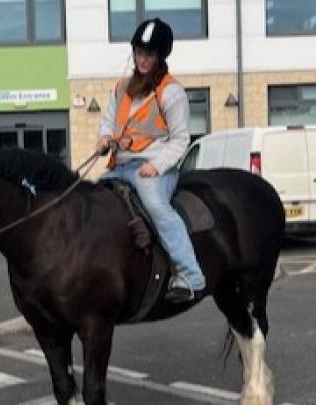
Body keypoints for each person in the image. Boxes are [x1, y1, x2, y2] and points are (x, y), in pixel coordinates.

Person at [96, 18, 206, 303]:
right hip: (119, 166)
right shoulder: (121, 88)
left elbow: (181, 140)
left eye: (149, 54)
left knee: (156, 206)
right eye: (138, 52)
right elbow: (108, 121)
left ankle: (190, 274)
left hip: (155, 167)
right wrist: (104, 138)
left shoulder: (171, 92)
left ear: (160, 57)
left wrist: (155, 166)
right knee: (93, 201)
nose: (142, 59)